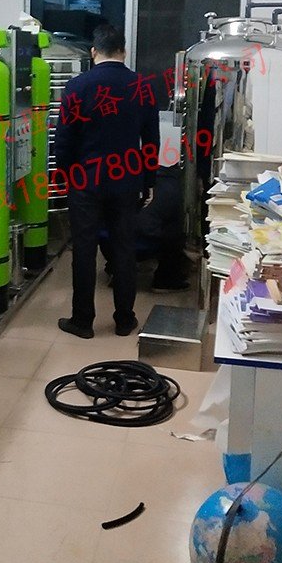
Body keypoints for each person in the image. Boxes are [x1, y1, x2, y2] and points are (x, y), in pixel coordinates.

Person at [54, 23, 160, 338]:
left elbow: (64, 139)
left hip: (85, 182)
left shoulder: (77, 86)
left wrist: (66, 175)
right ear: (123, 51)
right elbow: (150, 140)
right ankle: (125, 320)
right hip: (126, 180)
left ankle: (82, 321)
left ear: (93, 51)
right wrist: (148, 180)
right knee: (124, 249)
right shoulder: (142, 86)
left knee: (84, 251)